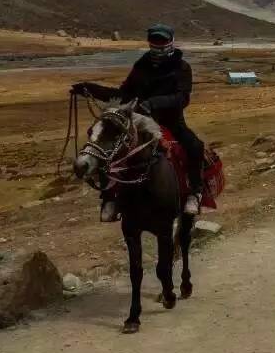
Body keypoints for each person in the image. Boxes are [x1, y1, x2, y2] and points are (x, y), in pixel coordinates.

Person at [73, 24, 205, 219]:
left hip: (170, 121)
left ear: (171, 42)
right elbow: (123, 94)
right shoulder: (141, 65)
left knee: (195, 147)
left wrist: (152, 103)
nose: (158, 46)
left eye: (162, 42)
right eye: (155, 42)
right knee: (105, 143)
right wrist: (89, 89)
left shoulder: (182, 67)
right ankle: (109, 197)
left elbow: (182, 98)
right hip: (138, 121)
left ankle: (194, 193)